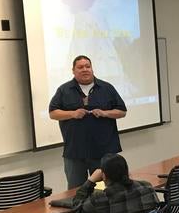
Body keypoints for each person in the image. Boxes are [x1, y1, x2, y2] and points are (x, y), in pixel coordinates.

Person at [49, 55, 127, 189]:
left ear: (92, 69)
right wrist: (72, 114)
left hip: (103, 151)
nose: (85, 69)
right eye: (80, 67)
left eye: (88, 66)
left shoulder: (106, 88)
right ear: (73, 70)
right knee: (75, 191)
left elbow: (122, 111)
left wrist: (105, 113)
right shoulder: (64, 90)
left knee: (103, 191)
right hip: (75, 152)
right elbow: (53, 113)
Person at [73, 153, 159, 213]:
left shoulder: (100, 198)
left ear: (103, 176)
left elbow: (76, 207)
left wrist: (91, 181)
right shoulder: (147, 187)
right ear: (127, 170)